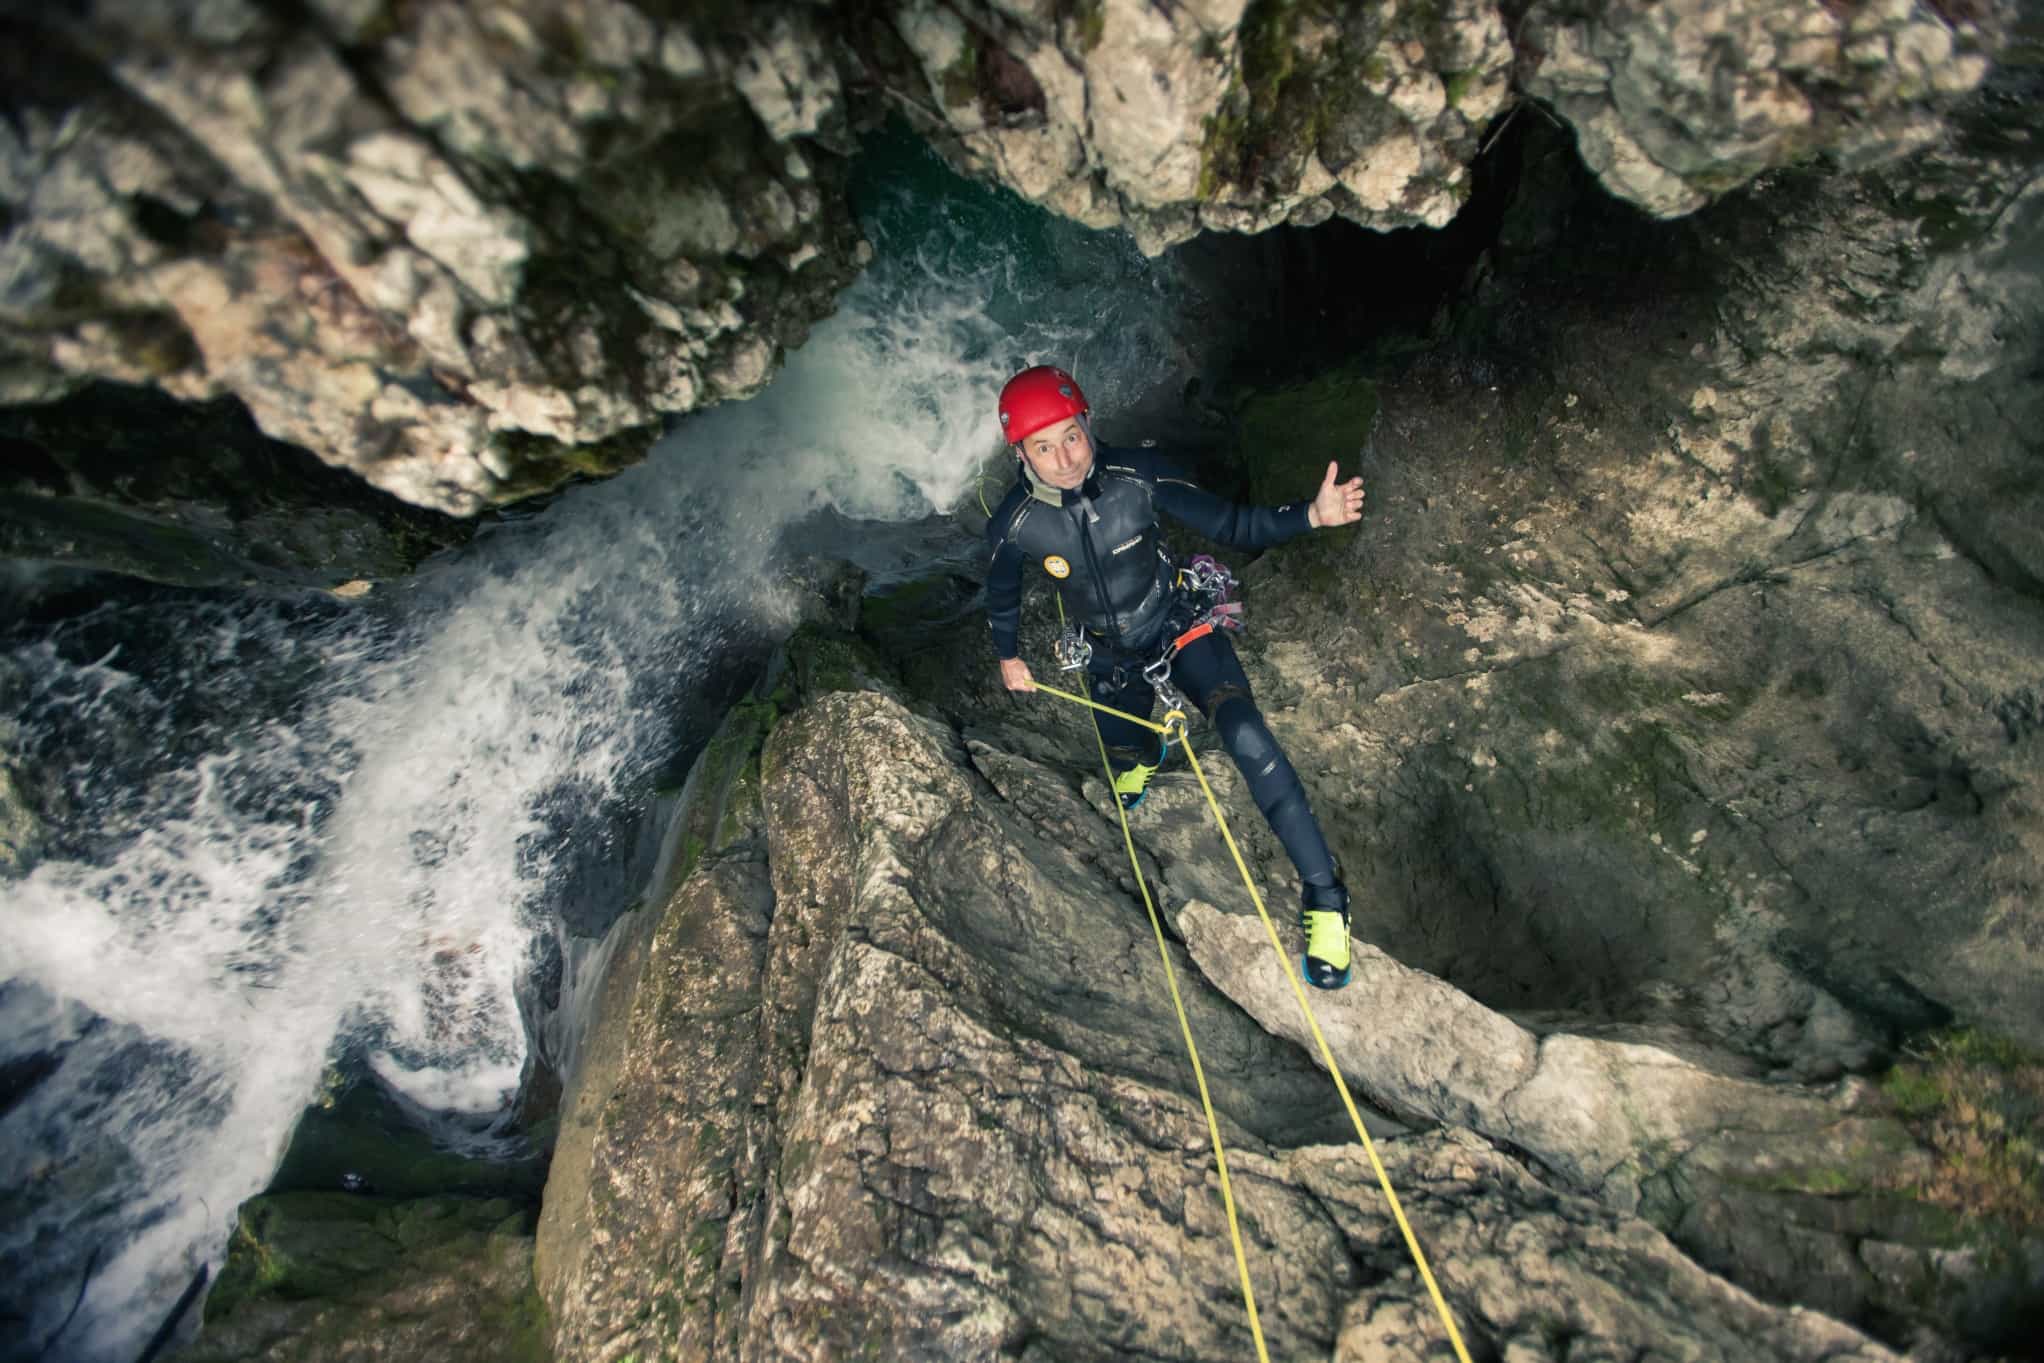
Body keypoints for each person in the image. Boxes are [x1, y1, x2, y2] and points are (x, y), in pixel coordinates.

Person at [983, 364, 1366, 989]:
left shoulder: (1139, 475)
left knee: (1245, 734)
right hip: (1107, 653)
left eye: (1070, 437)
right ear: (1020, 454)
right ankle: (1144, 754)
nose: (1064, 459)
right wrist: (1007, 655)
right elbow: (1000, 591)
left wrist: (1312, 517)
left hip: (1178, 624)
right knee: (1122, 747)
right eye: (1043, 448)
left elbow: (1233, 525)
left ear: (1088, 425)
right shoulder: (1016, 525)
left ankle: (1325, 895)